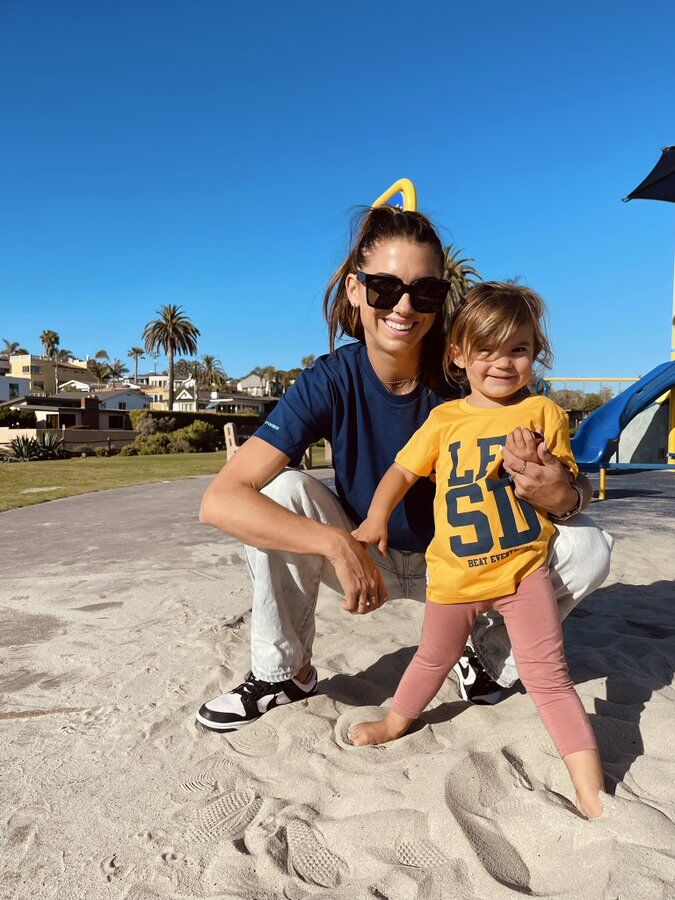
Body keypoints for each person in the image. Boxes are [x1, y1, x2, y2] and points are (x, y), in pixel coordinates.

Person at [196, 205, 612, 738]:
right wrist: (335, 544)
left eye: (425, 292)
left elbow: (570, 485)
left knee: (589, 546)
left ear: (442, 301)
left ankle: (482, 657)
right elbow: (221, 499)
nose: (404, 306)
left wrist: (564, 495)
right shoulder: (330, 380)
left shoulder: (472, 371)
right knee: (278, 490)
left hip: (465, 562)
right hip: (371, 553)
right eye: (385, 287)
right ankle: (285, 674)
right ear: (355, 290)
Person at [348, 282, 605, 818]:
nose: (503, 363)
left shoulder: (543, 414)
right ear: (460, 355)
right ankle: (398, 720)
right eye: (486, 349)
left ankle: (591, 792)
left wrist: (543, 468)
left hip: (522, 572)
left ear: (537, 354)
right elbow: (402, 469)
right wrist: (376, 516)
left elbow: (569, 483)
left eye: (518, 349)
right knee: (431, 658)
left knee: (548, 677)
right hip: (453, 577)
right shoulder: (444, 420)